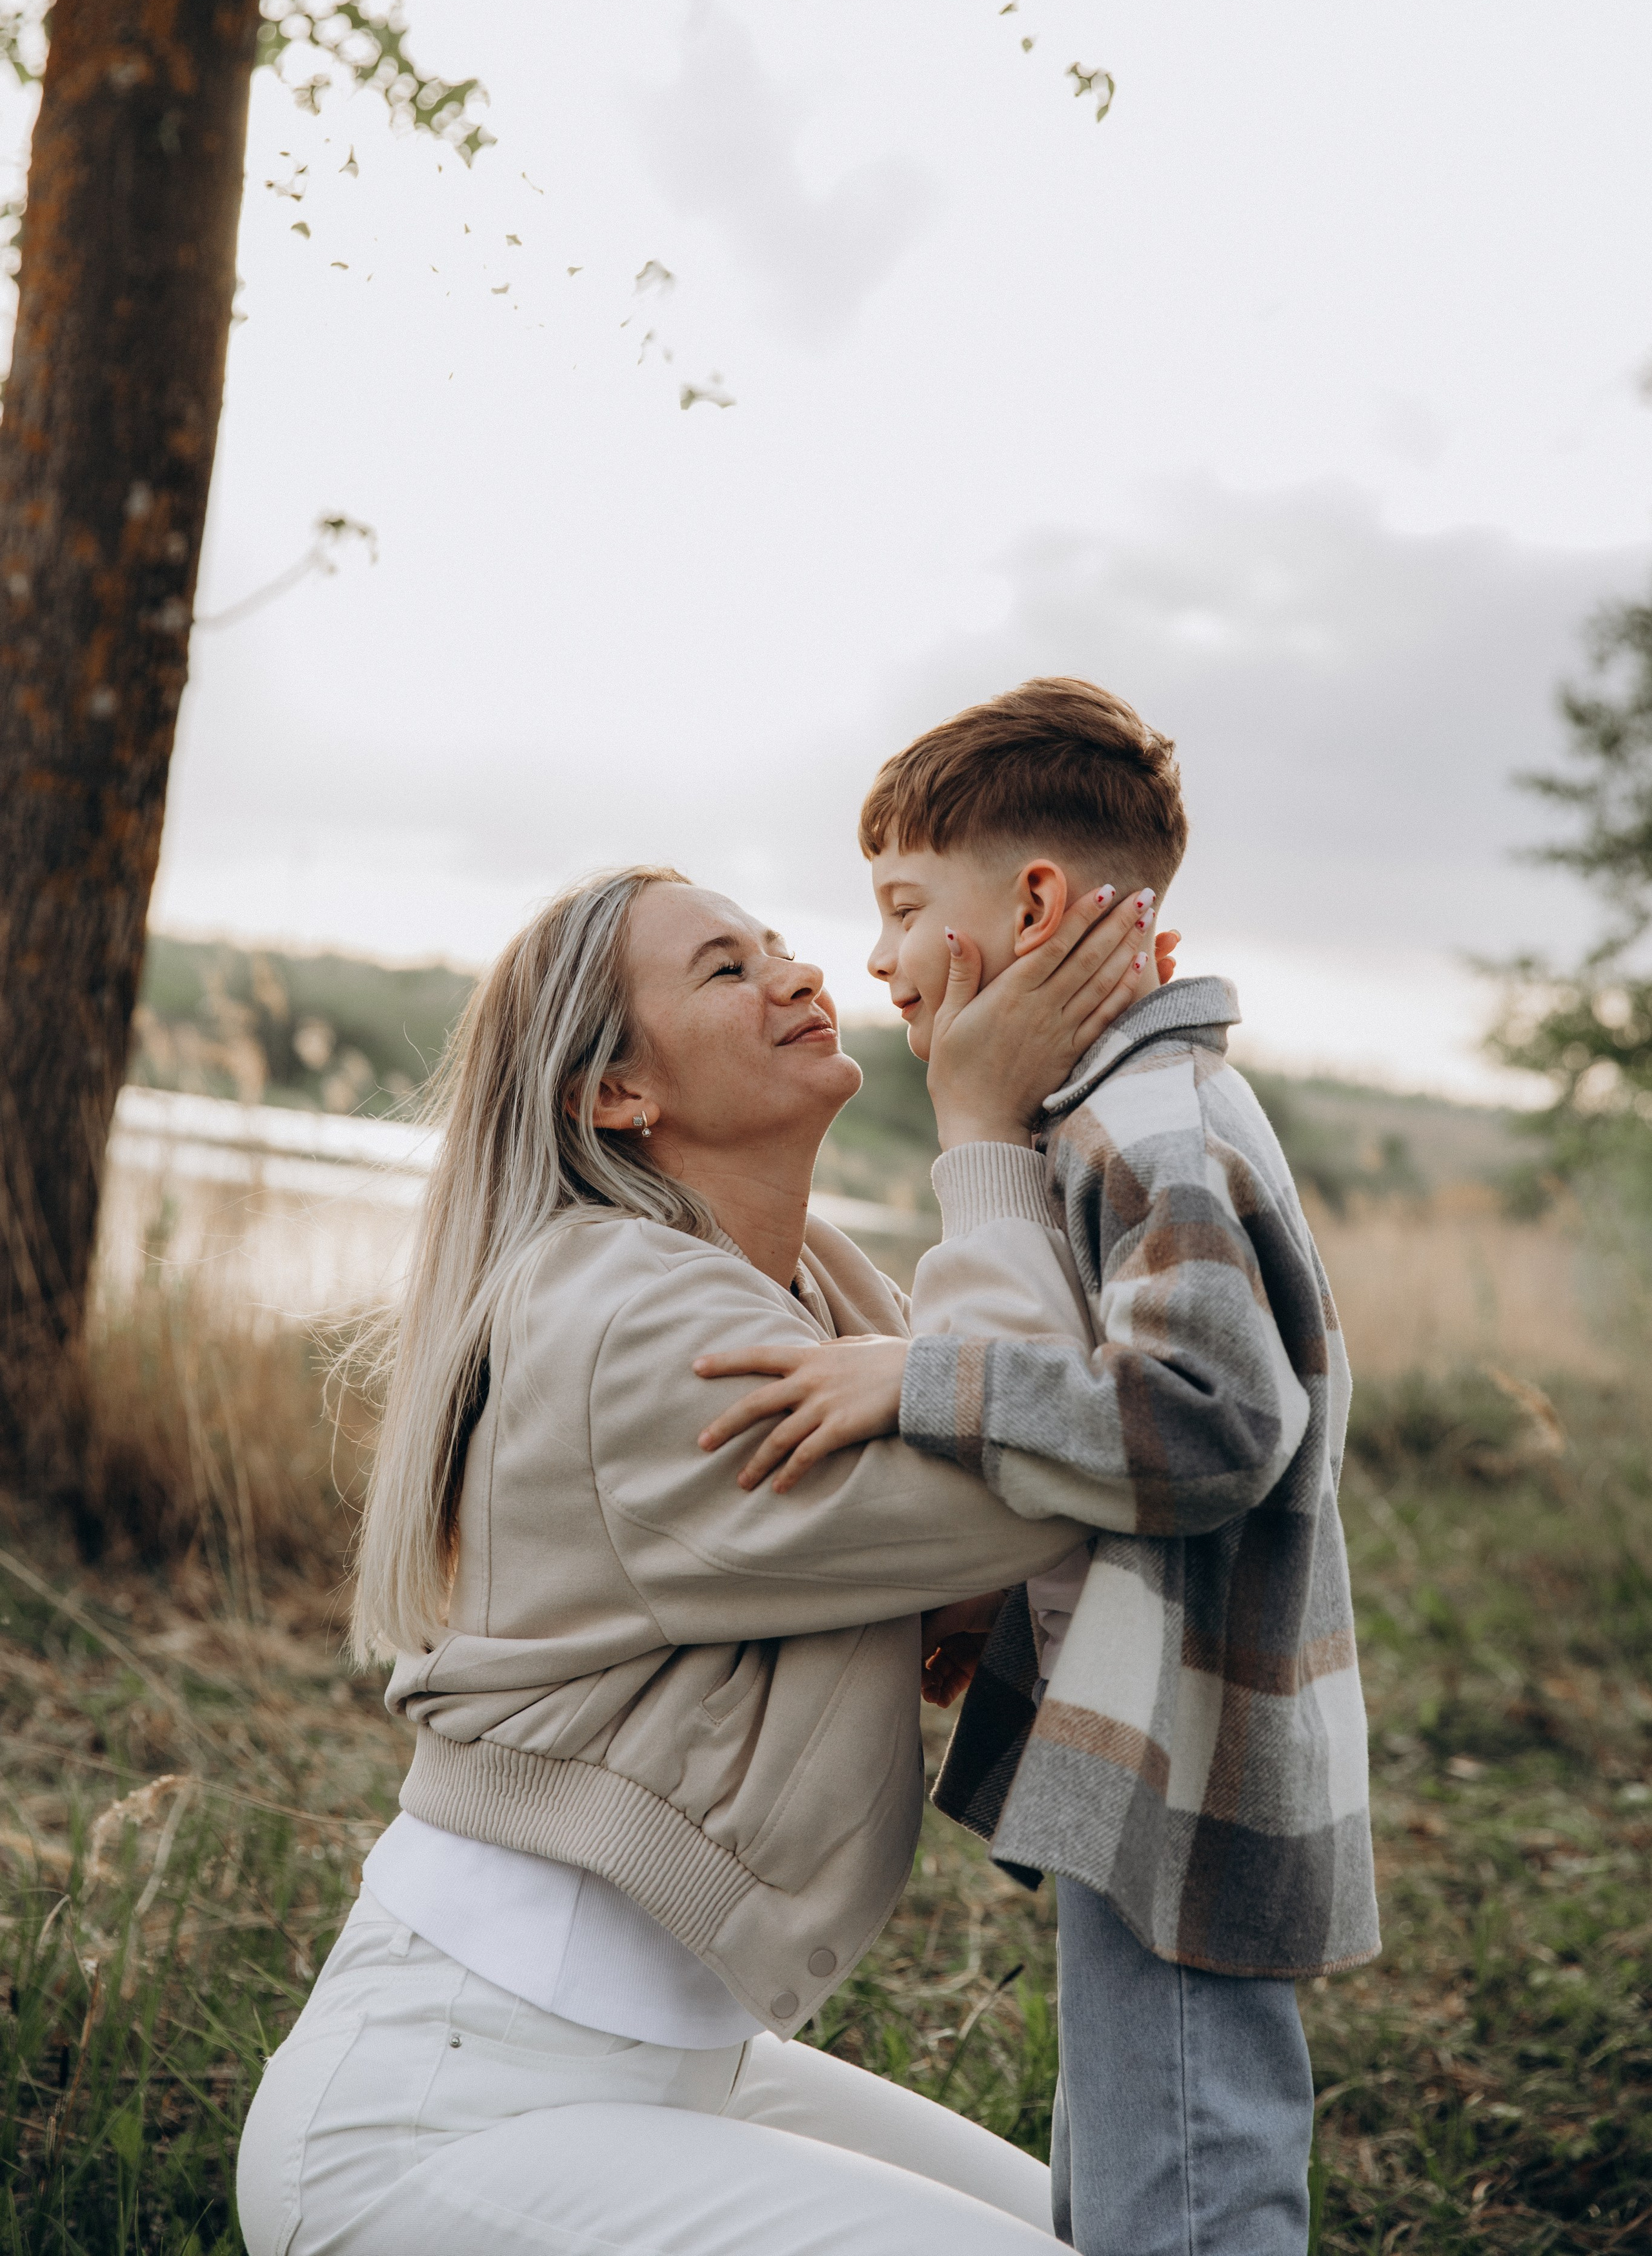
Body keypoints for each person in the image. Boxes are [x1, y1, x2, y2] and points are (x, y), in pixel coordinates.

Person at [237, 859, 1164, 2256]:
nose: (799, 975)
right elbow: (1044, 1467)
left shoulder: (817, 1289)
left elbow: (1049, 1426)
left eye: (784, 946)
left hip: (662, 2067)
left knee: (1106, 2236)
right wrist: (978, 1122)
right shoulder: (622, 1315)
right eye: (726, 969)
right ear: (616, 1094)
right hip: (446, 2119)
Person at [694, 678, 1382, 2256]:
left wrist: (914, 1377)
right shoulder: (1115, 1111)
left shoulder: (1157, 1121)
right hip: (1152, 1728)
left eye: (899, 905)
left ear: (1032, 903)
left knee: (1187, 2195)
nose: (868, 958)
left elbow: (1206, 1421)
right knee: (1125, 2165)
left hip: (1195, 1742)